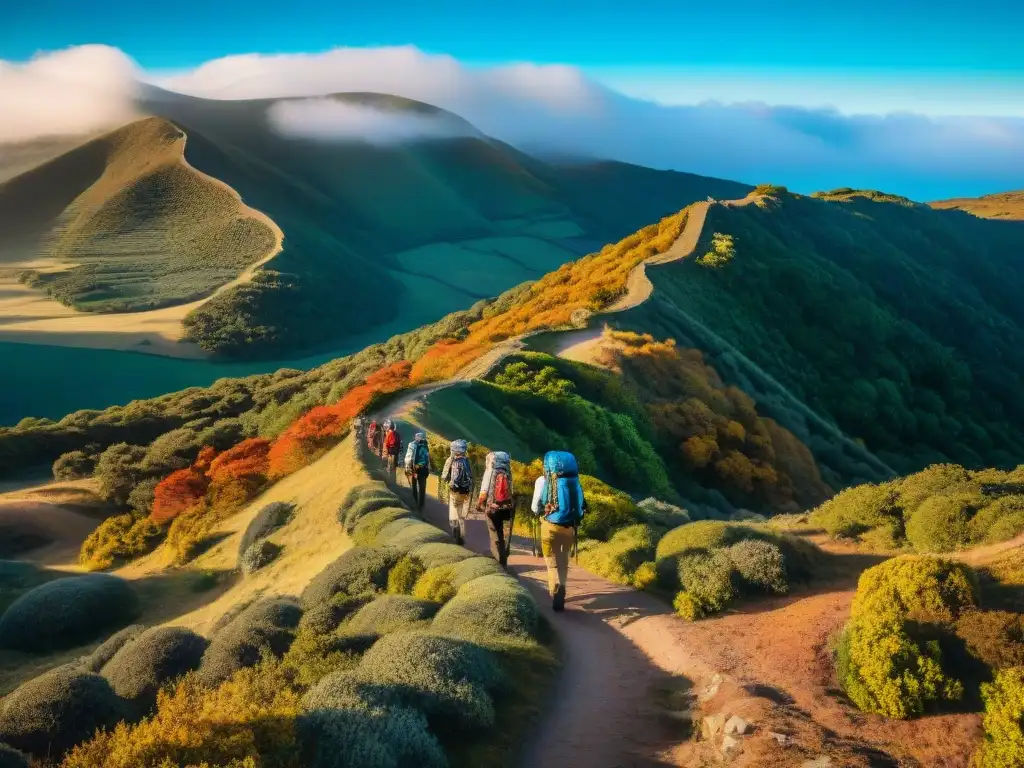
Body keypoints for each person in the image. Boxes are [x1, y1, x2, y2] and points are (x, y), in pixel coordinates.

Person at [531, 450, 585, 612]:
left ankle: (555, 587)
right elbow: (581, 508)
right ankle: (562, 585)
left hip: (549, 525)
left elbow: (535, 507)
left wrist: (539, 512)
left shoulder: (542, 481)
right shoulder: (575, 482)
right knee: (563, 559)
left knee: (551, 561)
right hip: (569, 526)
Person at [478, 451, 515, 567]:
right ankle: (503, 555)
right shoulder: (508, 472)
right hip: (506, 508)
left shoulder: (490, 471)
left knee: (493, 531)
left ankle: (498, 560)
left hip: (492, 508)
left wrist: (479, 504)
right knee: (500, 530)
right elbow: (511, 491)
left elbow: (483, 493)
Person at [441, 439, 473, 545]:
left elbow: (444, 476)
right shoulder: (467, 461)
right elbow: (471, 476)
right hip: (466, 491)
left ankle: (455, 531)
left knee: (453, 511)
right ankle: (461, 534)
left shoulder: (451, 460)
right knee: (462, 514)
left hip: (454, 491)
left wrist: (446, 482)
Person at [404, 431, 432, 513]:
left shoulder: (412, 444)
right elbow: (426, 459)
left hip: (414, 468)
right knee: (422, 488)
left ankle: (415, 505)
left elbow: (408, 457)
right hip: (423, 469)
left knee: (414, 487)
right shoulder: (425, 445)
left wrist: (407, 468)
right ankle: (421, 507)